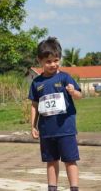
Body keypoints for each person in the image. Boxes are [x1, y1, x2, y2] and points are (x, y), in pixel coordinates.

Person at [28, 37, 82, 191]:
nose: (53, 64)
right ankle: (52, 188)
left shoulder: (65, 78)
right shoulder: (36, 83)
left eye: (56, 60)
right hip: (46, 131)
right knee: (51, 161)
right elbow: (34, 105)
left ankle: (74, 188)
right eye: (48, 61)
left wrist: (73, 92)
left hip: (65, 130)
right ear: (40, 61)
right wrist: (33, 125)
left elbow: (79, 95)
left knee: (70, 160)